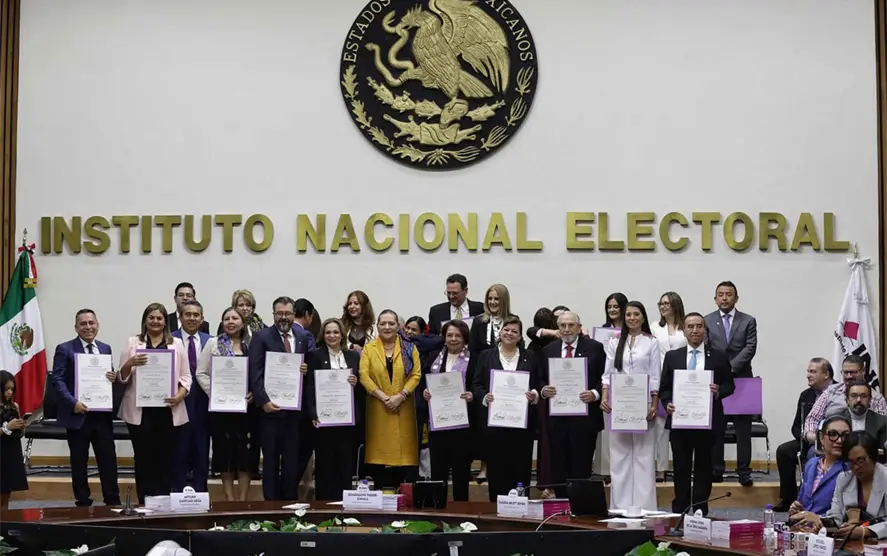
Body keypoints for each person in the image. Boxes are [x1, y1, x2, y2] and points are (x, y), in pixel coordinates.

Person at [659, 312, 735, 516]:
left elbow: (730, 385)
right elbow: (664, 388)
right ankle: (680, 509)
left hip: (707, 423)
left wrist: (718, 391)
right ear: (684, 331)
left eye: (699, 326)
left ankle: (701, 509)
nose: (695, 330)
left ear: (705, 330)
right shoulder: (672, 357)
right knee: (681, 468)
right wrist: (667, 403)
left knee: (704, 468)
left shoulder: (719, 356)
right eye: (690, 326)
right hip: (680, 421)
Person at [118, 303, 191, 504]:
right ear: (145, 320)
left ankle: (163, 501)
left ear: (165, 321)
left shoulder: (176, 343)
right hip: (140, 412)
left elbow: (186, 376)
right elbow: (122, 378)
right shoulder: (133, 342)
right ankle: (144, 500)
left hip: (168, 410)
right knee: (143, 458)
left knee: (166, 458)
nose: (155, 321)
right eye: (151, 317)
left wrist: (180, 395)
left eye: (159, 318)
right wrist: (130, 363)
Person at [50, 309, 120, 507]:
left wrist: (112, 376)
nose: (88, 327)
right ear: (76, 327)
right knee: (79, 461)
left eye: (91, 323)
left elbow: (107, 376)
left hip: (101, 415)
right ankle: (82, 502)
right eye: (83, 324)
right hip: (78, 414)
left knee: (108, 460)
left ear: (97, 325)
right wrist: (73, 403)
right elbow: (57, 380)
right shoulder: (64, 349)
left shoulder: (105, 348)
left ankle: (112, 501)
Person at [249, 296, 312, 501]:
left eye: (287, 313)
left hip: (294, 413)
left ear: (294, 314)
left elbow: (308, 369)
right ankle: (271, 506)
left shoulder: (302, 337)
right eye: (279, 313)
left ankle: (289, 503)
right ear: (273, 314)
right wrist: (264, 401)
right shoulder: (261, 337)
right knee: (270, 461)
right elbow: (255, 373)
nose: (283, 317)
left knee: (291, 461)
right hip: (270, 411)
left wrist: (305, 369)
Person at [538, 311, 605, 498]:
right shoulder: (548, 350)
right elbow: (540, 377)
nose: (567, 329)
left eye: (571, 325)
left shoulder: (595, 348)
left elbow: (605, 377)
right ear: (558, 328)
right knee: (558, 464)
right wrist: (543, 390)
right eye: (562, 325)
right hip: (557, 419)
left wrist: (595, 394)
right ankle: (561, 503)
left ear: (579, 327)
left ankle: (580, 506)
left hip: (584, 418)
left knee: (581, 465)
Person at [472, 316, 539, 501]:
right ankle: (497, 505)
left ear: (520, 336)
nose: (509, 333)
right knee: (496, 467)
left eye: (514, 331)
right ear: (500, 332)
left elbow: (538, 383)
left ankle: (521, 505)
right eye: (506, 330)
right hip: (495, 423)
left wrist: (534, 394)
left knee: (521, 467)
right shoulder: (486, 355)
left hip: (521, 424)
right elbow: (476, 384)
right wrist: (484, 396)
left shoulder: (530, 357)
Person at [601, 301, 660, 511]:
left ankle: (646, 507)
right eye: (628, 315)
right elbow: (608, 372)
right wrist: (605, 396)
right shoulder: (614, 341)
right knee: (619, 455)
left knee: (644, 455)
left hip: (643, 405)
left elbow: (655, 375)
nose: (632, 318)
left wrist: (654, 403)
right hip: (618, 404)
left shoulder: (651, 342)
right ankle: (620, 506)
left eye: (636, 314)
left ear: (643, 317)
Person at [196, 307, 257, 502]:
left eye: (235, 318)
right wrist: (215, 393)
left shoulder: (252, 344)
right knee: (225, 455)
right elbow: (201, 373)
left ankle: (243, 499)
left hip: (246, 410)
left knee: (245, 457)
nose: (231, 322)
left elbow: (258, 373)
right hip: (221, 410)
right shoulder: (213, 343)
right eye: (227, 318)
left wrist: (254, 393)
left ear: (242, 322)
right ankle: (230, 500)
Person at [359, 310, 422, 489]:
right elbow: (364, 375)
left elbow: (416, 375)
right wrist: (384, 397)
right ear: (377, 326)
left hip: (404, 408)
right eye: (383, 324)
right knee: (380, 463)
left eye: (391, 323)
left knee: (404, 463)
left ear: (399, 326)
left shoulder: (409, 348)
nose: (387, 327)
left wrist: (401, 396)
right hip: (379, 408)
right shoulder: (369, 349)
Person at [704, 281, 757, 486]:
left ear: (736, 298)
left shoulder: (748, 320)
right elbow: (706, 347)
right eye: (721, 294)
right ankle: (716, 469)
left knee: (743, 428)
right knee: (718, 425)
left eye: (728, 294)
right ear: (715, 298)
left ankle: (744, 470)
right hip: (717, 381)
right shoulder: (707, 320)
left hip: (742, 379)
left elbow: (750, 348)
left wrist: (730, 368)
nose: (724, 298)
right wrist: (722, 370)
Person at [306, 318, 364, 500]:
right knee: (325, 464)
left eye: (336, 332)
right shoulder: (314, 356)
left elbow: (362, 390)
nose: (332, 336)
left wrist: (356, 383)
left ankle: (344, 502)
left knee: (345, 464)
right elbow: (309, 388)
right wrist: (312, 413)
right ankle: (324, 504)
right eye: (328, 332)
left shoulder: (353, 357)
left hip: (347, 420)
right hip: (324, 420)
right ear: (323, 335)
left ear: (342, 335)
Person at [420, 319, 474, 501]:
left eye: (458, 335)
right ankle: (439, 509)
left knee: (461, 473)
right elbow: (423, 382)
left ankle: (461, 511)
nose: (453, 339)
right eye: (449, 335)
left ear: (465, 338)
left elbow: (478, 384)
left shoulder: (474, 359)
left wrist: (472, 395)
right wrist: (425, 392)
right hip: (438, 425)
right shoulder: (433, 357)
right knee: (438, 472)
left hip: (463, 427)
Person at [774, 358, 835, 511]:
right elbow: (796, 426)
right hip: (807, 439)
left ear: (826, 374)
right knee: (784, 451)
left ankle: (809, 498)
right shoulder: (805, 395)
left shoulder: (838, 392)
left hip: (832, 441)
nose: (808, 375)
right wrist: (806, 437)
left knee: (812, 455)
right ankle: (788, 498)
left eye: (813, 371)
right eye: (808, 371)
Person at [172, 300, 212, 493]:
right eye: (187, 314)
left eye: (196, 315)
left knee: (201, 452)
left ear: (202, 318)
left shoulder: (212, 341)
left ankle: (200, 494)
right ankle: (178, 493)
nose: (192, 318)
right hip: (178, 403)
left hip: (204, 403)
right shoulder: (170, 339)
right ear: (180, 317)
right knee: (178, 452)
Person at [804, 355, 887, 443]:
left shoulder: (876, 398)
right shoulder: (830, 391)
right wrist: (816, 438)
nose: (848, 376)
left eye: (853, 372)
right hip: (829, 442)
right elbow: (813, 418)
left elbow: (882, 427)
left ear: (863, 371)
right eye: (846, 372)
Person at [650, 292, 687, 482]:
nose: (663, 307)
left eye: (667, 303)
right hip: (661, 377)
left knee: (683, 425)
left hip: (683, 379)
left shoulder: (686, 326)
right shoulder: (654, 327)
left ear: (676, 305)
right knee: (660, 426)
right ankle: (660, 467)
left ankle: (683, 466)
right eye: (661, 303)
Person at [789, 415, 850, 524]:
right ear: (821, 437)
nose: (839, 440)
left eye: (845, 436)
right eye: (833, 434)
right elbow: (802, 502)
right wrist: (796, 510)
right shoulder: (811, 464)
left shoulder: (850, 470)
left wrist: (817, 519)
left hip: (830, 530)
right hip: (804, 529)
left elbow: (846, 517)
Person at [825, 432, 887, 539]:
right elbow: (835, 516)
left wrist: (865, 531)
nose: (856, 467)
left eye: (861, 461)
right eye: (851, 462)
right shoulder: (843, 479)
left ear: (873, 457)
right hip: (850, 543)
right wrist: (824, 525)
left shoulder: (885, 478)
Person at [0, 371, 28, 509]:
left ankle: (4, 519)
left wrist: (21, 426)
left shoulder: (14, 406)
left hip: (11, 450)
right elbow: (7, 427)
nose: (10, 392)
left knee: (6, 492)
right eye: (6, 389)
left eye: (12, 389)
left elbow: (18, 432)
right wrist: (7, 427)